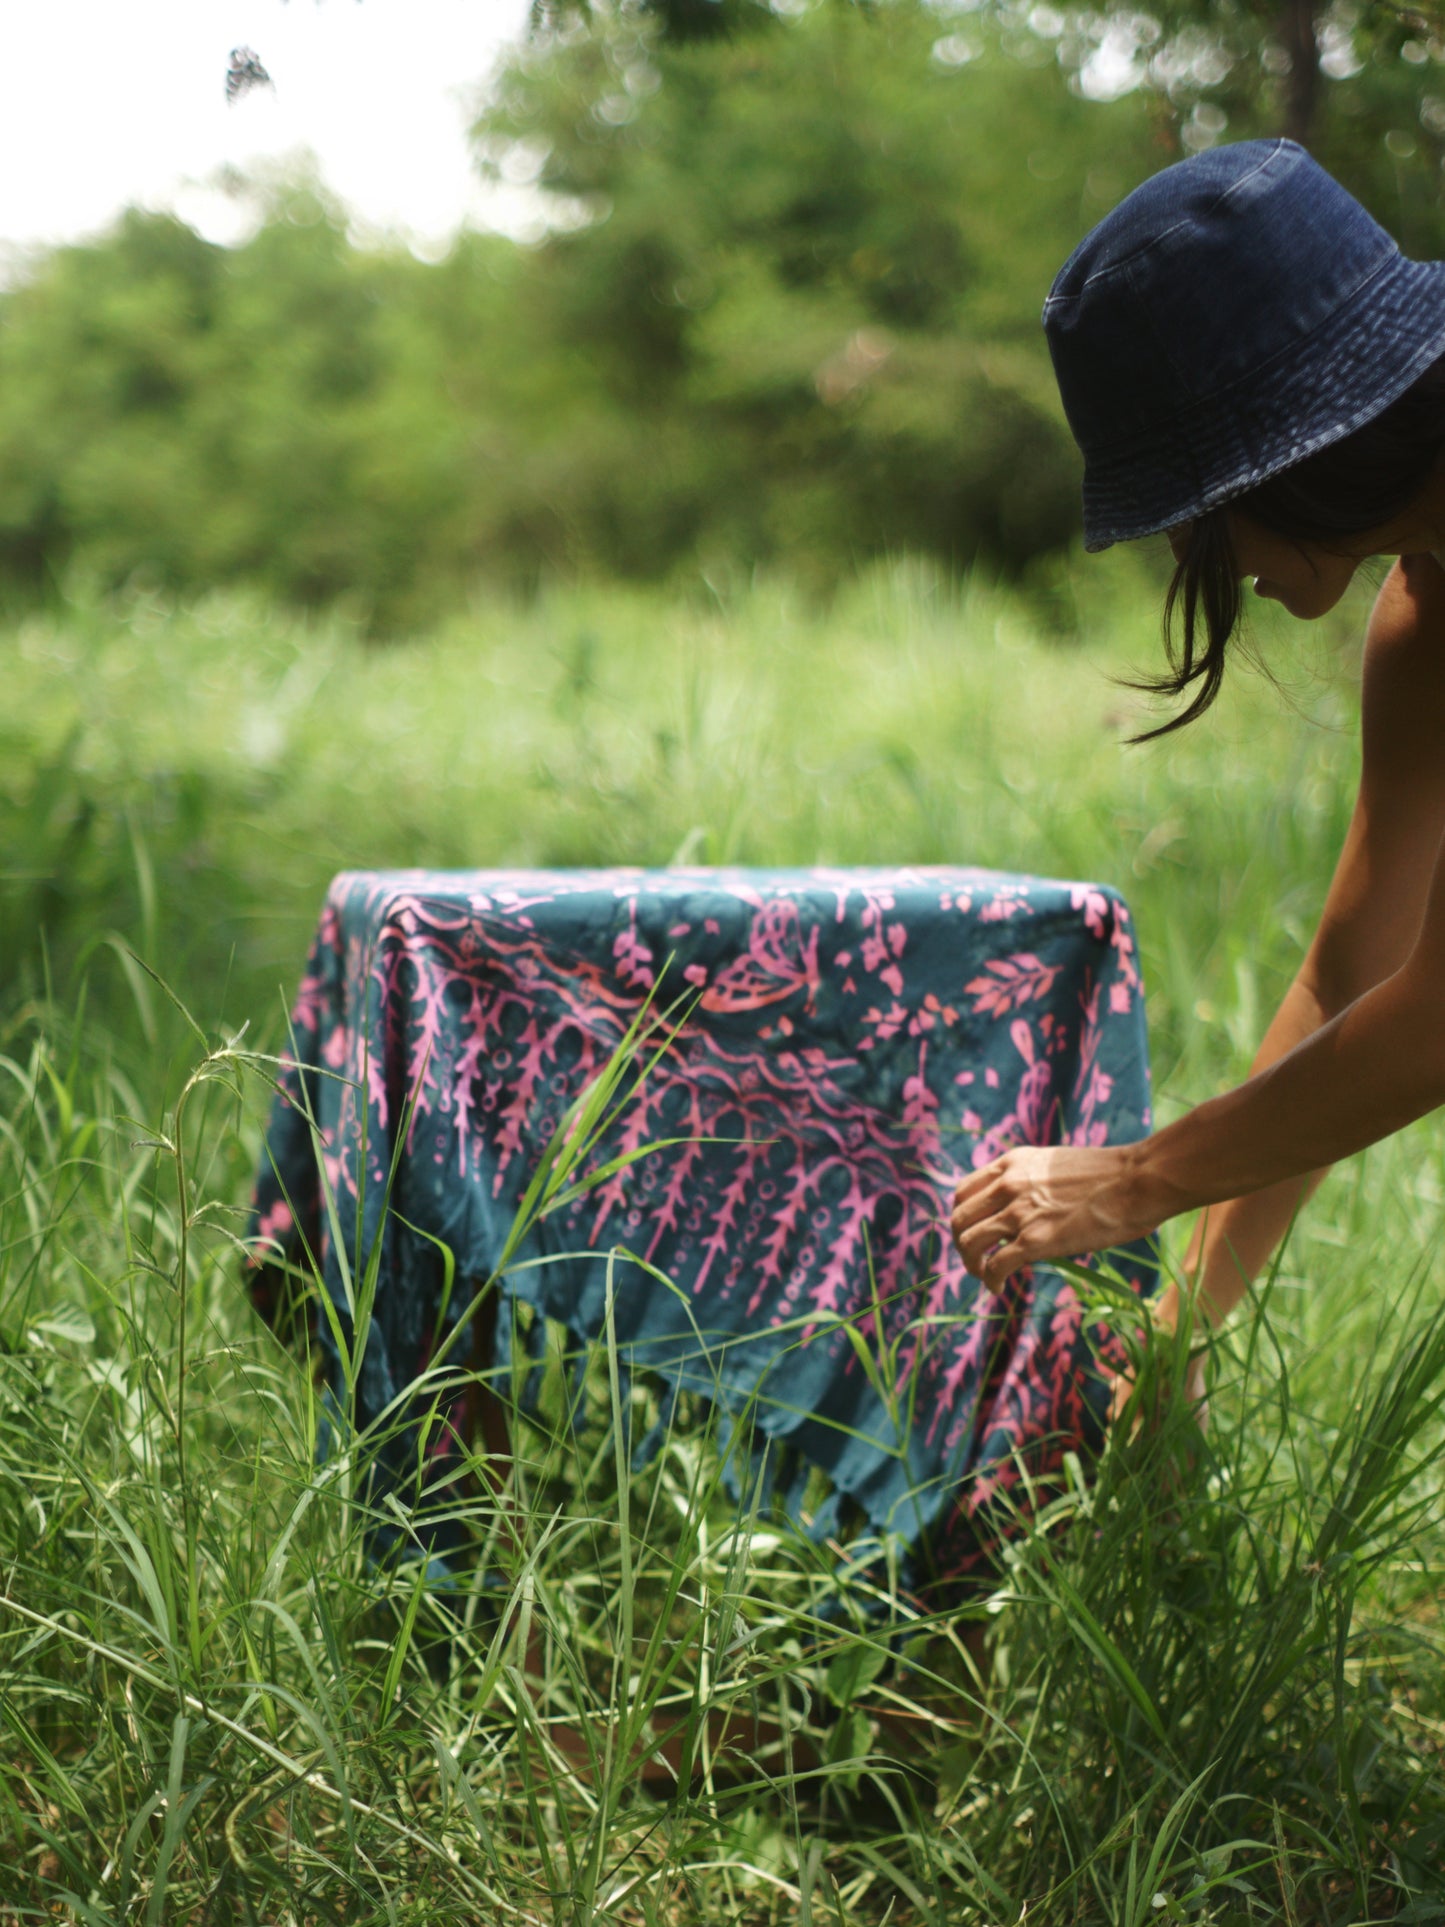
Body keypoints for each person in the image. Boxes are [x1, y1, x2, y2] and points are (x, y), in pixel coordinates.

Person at [950, 138, 1445, 1367]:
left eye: (1187, 517)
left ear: (1294, 452)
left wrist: (1135, 1176)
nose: (1187, 567)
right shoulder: (1424, 617)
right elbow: (1349, 974)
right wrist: (1176, 1341)